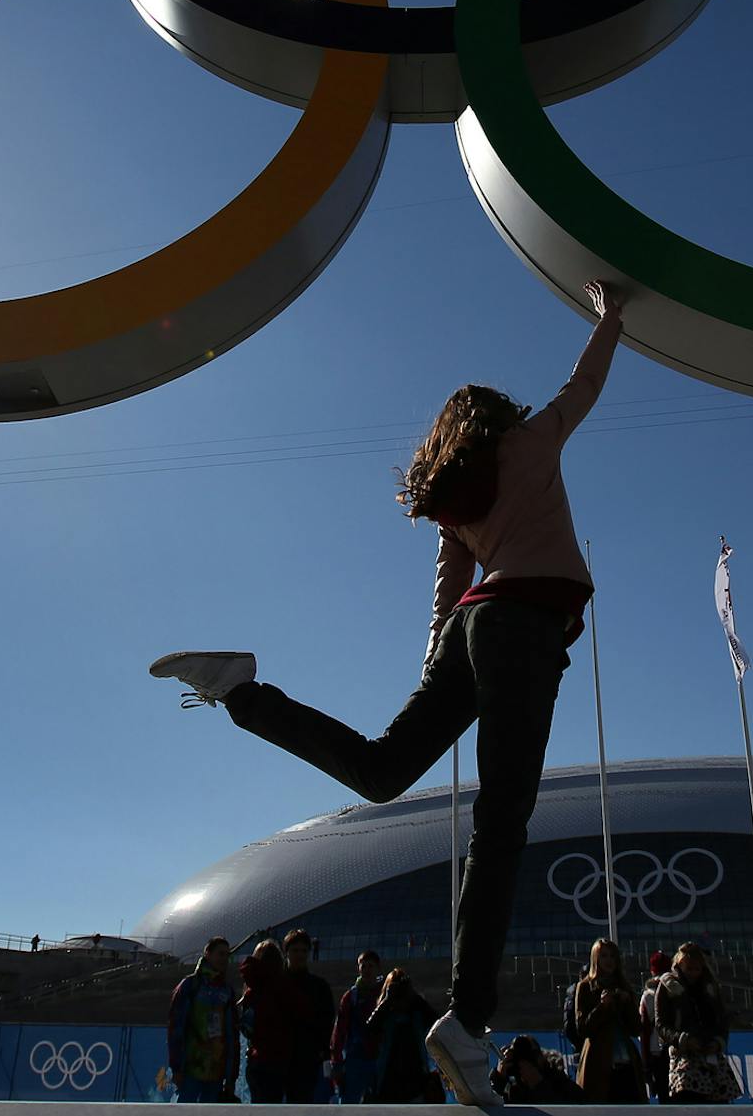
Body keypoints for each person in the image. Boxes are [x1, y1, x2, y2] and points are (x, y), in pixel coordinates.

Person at [151, 281, 628, 1106]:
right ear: (500, 413)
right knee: (501, 824)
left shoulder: (454, 493)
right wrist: (610, 316)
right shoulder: (533, 438)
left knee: (381, 770)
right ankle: (467, 1020)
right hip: (524, 628)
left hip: (473, 630)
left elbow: (448, 591)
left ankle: (243, 692)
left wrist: (438, 664)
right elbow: (581, 386)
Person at [655, 942, 736, 1104]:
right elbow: (661, 1024)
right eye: (689, 969)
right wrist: (682, 1040)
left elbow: (721, 1020)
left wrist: (718, 1042)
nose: (693, 973)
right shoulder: (668, 986)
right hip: (684, 1057)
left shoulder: (710, 988)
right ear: (679, 966)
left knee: (718, 1102)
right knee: (688, 1099)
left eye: (697, 969)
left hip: (711, 1056)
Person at [568, 938, 648, 1102]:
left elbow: (635, 1028)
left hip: (626, 1061)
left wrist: (627, 1004)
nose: (609, 961)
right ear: (596, 959)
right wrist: (602, 1007)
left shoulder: (624, 986)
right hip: (598, 1062)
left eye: (612, 956)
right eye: (604, 956)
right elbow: (582, 1028)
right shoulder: (585, 987)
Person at [168, 937, 239, 1103]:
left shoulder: (226, 991)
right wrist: (177, 1067)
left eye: (227, 955)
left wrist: (230, 1076)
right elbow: (175, 1027)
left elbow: (231, 1034)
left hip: (216, 1071)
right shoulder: (190, 985)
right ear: (207, 954)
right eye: (220, 954)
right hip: (191, 1068)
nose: (224, 959)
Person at [366, 969, 438, 1105]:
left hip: (415, 1079)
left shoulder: (416, 1011)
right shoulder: (386, 1013)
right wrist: (386, 1001)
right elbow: (370, 1028)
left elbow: (436, 1022)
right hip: (388, 1080)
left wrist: (415, 997)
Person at [282, 931, 337, 1103]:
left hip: (309, 1058)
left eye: (304, 951)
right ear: (287, 953)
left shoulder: (319, 986)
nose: (300, 955)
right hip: (281, 1057)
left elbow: (327, 1022)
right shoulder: (278, 984)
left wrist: (323, 1051)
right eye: (295, 950)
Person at [239, 939, 293, 1102]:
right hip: (279, 1058)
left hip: (257, 1057)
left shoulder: (252, 988)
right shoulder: (284, 988)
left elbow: (247, 1026)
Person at [329, 951, 384, 1103]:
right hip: (356, 1060)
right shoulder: (351, 997)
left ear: (378, 968)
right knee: (350, 1104)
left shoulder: (385, 995)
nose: (366, 970)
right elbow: (339, 1031)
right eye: (363, 966)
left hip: (380, 1058)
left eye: (370, 966)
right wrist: (337, 1061)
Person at [490, 1035, 584, 1105]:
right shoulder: (511, 1088)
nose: (523, 1061)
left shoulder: (559, 1082)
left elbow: (577, 1108)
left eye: (528, 1055)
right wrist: (498, 1079)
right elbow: (486, 1103)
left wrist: (540, 1086)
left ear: (541, 1058)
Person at [637, 951, 669, 1101]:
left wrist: (645, 1065)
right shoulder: (677, 991)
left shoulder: (648, 996)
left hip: (656, 1053)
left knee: (664, 1098)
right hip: (676, 1050)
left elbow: (644, 1032)